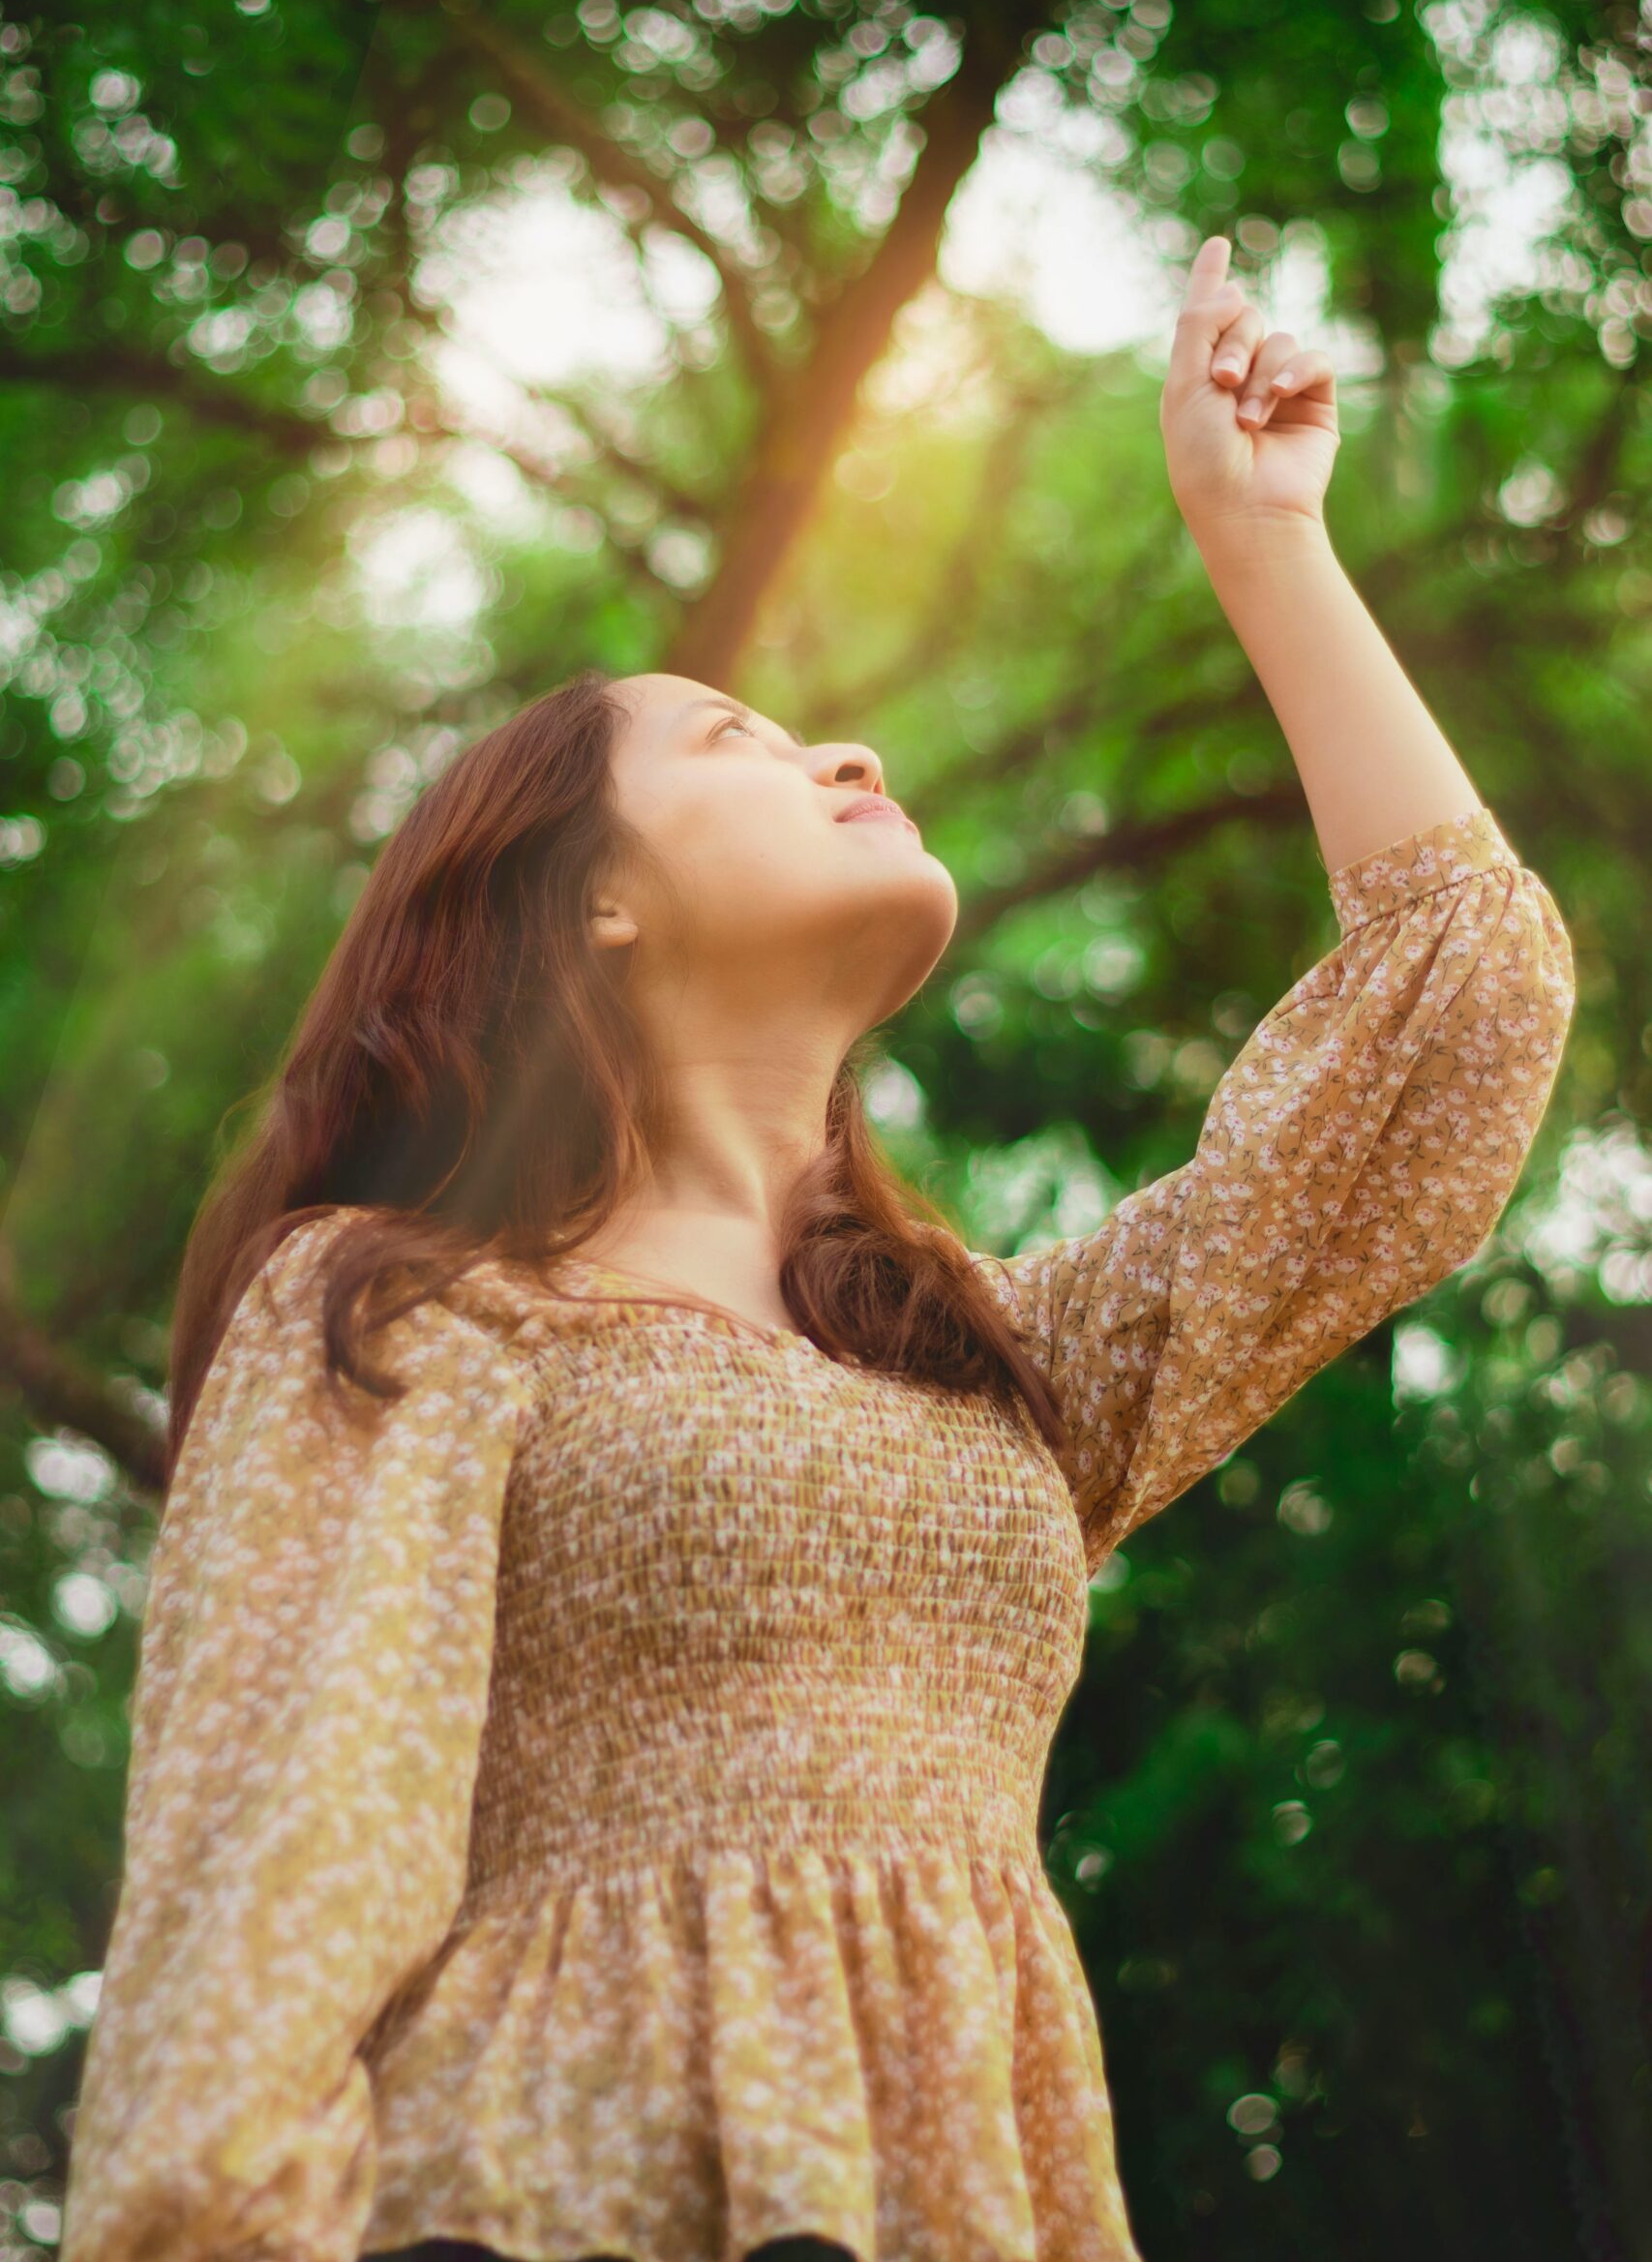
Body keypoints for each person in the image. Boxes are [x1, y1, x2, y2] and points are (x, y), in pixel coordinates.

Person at [57, 235, 1573, 2262]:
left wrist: (1261, 545)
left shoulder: (992, 1371)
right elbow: (273, 1866)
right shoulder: (409, 1304)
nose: (846, 752)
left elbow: (1450, 1039)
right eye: (733, 742)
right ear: (587, 899)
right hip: (533, 2203)